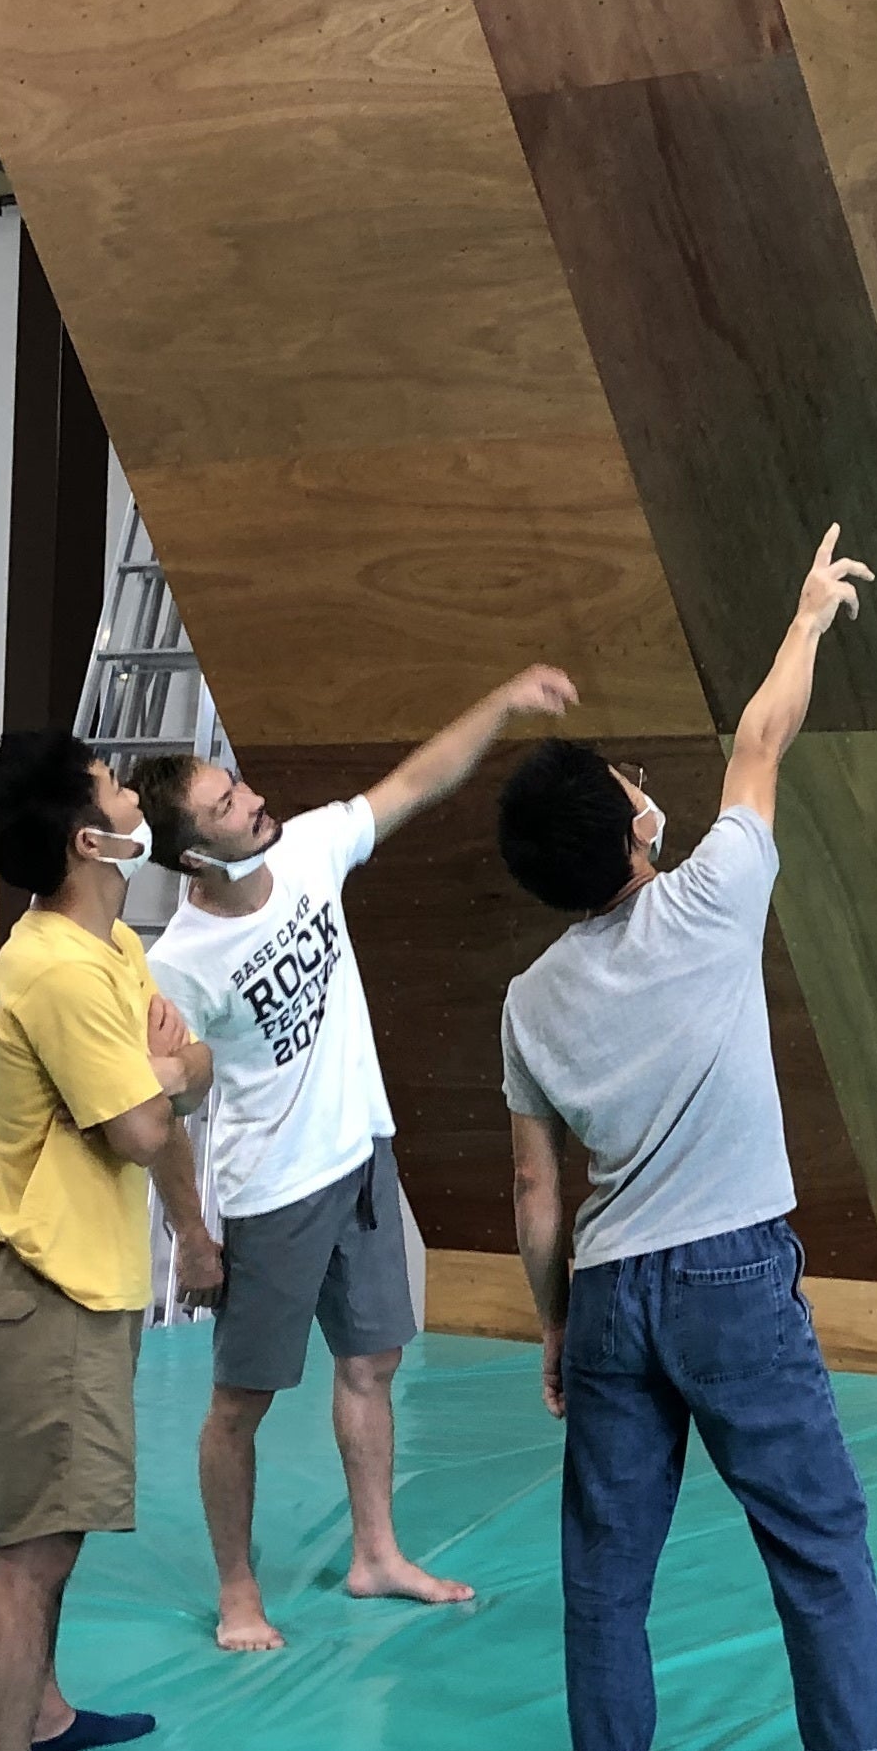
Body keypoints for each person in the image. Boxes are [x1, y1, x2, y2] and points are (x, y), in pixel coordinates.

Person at [495, 525, 877, 1751]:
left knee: (606, 1558)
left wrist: (555, 1322)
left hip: (609, 1291)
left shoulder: (528, 1000)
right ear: (631, 829)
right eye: (626, 781)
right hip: (730, 1279)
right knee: (816, 1533)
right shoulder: (711, 898)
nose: (643, 785)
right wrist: (809, 614)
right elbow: (762, 739)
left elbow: (537, 1190)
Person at [127, 664, 581, 1654]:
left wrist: (502, 701)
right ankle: (238, 1591)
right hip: (271, 1193)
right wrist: (193, 1236)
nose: (253, 802)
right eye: (227, 805)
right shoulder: (178, 967)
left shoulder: (309, 849)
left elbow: (418, 780)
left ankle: (376, 1553)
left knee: (372, 1364)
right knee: (240, 1404)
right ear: (195, 856)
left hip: (361, 1157)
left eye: (237, 786)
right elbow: (169, 1109)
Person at [0, 732, 223, 1751]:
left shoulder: (105, 948)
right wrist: (168, 1078)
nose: (132, 793)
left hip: (89, 1286)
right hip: (45, 1293)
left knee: (57, 1536)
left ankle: (46, 1714)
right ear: (87, 840)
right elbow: (145, 1124)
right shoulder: (61, 972)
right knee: (29, 1553)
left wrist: (172, 1072)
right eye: (113, 788)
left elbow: (190, 1067)